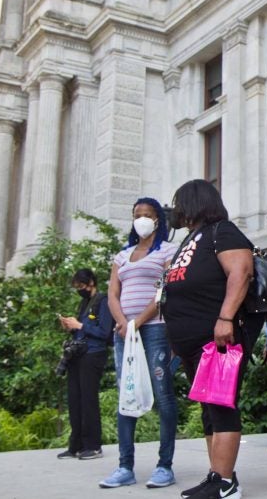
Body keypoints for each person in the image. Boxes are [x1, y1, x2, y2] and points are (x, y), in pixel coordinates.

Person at [162, 179, 255, 499]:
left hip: (217, 337)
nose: (176, 209)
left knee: (220, 404)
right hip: (191, 341)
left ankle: (227, 484)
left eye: (180, 202)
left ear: (195, 202)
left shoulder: (222, 231)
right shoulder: (191, 237)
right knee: (208, 408)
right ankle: (217, 475)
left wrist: (226, 317)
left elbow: (241, 271)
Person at [100, 198, 179, 490]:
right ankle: (124, 466)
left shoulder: (168, 251)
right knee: (126, 394)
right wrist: (122, 322)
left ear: (158, 219)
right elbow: (112, 294)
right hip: (125, 333)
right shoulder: (122, 255)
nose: (142, 219)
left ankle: (164, 466)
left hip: (155, 328)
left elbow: (165, 289)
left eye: (147, 214)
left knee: (163, 393)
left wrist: (139, 320)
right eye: (137, 215)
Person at [56, 268, 114, 461]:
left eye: (81, 286)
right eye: (76, 287)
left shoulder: (103, 301)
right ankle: (76, 445)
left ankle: (93, 445)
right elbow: (83, 331)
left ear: (91, 282)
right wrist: (71, 327)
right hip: (77, 354)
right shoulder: (84, 303)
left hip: (94, 354)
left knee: (88, 400)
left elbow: (106, 333)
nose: (79, 289)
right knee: (75, 400)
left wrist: (80, 326)